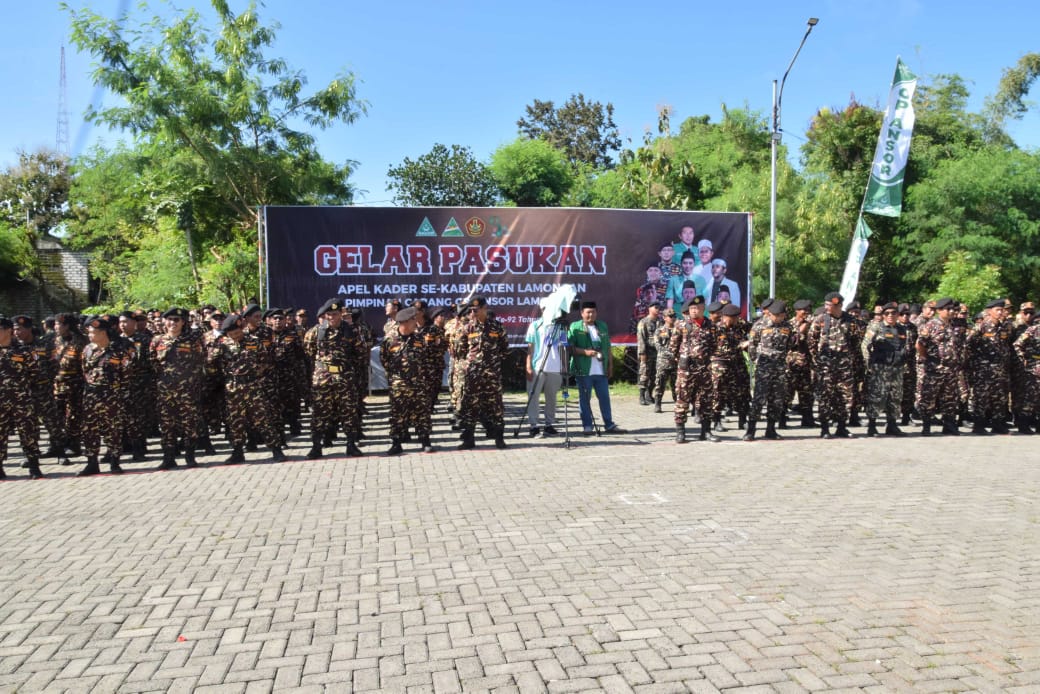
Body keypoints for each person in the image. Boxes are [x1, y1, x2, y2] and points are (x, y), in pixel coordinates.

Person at [209, 314, 287, 463]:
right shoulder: (221, 344)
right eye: (231, 333)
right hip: (233, 387)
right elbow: (211, 365)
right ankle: (238, 452)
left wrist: (256, 374)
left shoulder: (254, 342)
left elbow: (265, 361)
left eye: (237, 331)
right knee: (235, 421)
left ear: (242, 328)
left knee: (263, 419)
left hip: (253, 386)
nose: (235, 335)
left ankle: (276, 450)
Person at [304, 298, 367, 459]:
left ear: (341, 314)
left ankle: (351, 444)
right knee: (319, 413)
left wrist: (351, 372)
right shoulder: (316, 331)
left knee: (348, 412)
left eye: (335, 314)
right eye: (329, 314)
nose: (332, 317)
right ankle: (316, 446)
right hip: (323, 378)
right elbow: (309, 352)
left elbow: (361, 354)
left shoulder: (352, 331)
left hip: (344, 377)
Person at [150, 307, 206, 469]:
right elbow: (153, 363)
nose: (172, 323)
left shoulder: (192, 340)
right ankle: (168, 457)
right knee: (167, 424)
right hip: (165, 390)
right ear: (164, 321)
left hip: (187, 390)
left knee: (190, 423)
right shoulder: (157, 341)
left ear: (183, 322)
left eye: (177, 320)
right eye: (170, 319)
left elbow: (201, 360)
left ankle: (190, 456)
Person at [453, 296, 510, 449]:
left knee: (495, 406)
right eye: (471, 310)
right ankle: (469, 439)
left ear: (485, 308)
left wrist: (494, 363)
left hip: (492, 374)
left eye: (476, 310)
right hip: (473, 374)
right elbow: (460, 350)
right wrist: (469, 364)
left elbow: (505, 349)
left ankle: (499, 438)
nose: (474, 313)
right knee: (470, 406)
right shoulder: (467, 328)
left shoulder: (496, 327)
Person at [78, 316, 130, 476]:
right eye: (89, 332)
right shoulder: (87, 350)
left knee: (113, 430)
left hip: (111, 397)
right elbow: (84, 371)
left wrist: (120, 394)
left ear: (103, 333)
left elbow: (126, 375)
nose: (90, 335)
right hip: (91, 397)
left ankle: (115, 461)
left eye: (93, 332)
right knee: (89, 431)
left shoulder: (119, 351)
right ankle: (91, 462)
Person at [381, 307, 436, 454]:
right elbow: (384, 360)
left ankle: (425, 441)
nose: (416, 322)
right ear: (404, 322)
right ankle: (396, 443)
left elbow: (426, 360)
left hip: (418, 383)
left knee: (422, 413)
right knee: (397, 414)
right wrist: (395, 377)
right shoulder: (389, 339)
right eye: (413, 320)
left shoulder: (419, 339)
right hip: (398, 384)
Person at [568, 301, 625, 435]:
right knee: (585, 399)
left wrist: (610, 365)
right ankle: (587, 426)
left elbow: (608, 347)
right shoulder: (575, 327)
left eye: (593, 312)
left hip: (601, 370)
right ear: (582, 313)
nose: (591, 315)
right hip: (583, 369)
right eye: (588, 312)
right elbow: (569, 348)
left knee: (605, 398)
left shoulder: (602, 326)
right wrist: (585, 352)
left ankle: (609, 425)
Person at [0, 316, 45, 479]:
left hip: (22, 400)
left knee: (28, 433)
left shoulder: (24, 350)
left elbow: (35, 374)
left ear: (8, 331)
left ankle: (34, 466)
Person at [808, 292, 857, 438]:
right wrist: (818, 360)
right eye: (826, 304)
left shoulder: (851, 321)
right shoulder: (820, 320)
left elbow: (855, 341)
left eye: (830, 305)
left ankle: (841, 426)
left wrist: (848, 358)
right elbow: (812, 341)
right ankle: (825, 428)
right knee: (825, 396)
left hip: (844, 365)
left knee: (845, 396)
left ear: (839, 305)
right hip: (826, 365)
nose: (827, 307)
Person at [915, 297, 965, 436]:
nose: (951, 312)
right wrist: (926, 358)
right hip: (935, 369)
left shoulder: (954, 325)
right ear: (939, 311)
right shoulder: (931, 325)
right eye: (947, 309)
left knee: (950, 398)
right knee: (929, 398)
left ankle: (949, 425)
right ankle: (926, 426)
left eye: (952, 309)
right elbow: (919, 344)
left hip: (951, 369)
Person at [744, 300, 793, 441]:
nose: (777, 318)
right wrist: (756, 361)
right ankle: (750, 430)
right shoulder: (759, 325)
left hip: (780, 368)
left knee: (776, 400)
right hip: (764, 367)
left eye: (780, 316)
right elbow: (752, 346)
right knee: (759, 399)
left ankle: (771, 429)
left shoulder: (788, 327)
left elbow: (789, 344)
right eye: (774, 315)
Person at [670, 297, 717, 443]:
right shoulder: (681, 325)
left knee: (706, 400)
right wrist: (682, 361)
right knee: (682, 400)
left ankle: (706, 431)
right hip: (687, 370)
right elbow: (673, 347)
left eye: (696, 308)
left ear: (703, 309)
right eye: (691, 309)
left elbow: (715, 346)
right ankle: (680, 432)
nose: (694, 311)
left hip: (704, 369)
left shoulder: (711, 326)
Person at [966, 299, 1013, 434]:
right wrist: (976, 362)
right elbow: (969, 344)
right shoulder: (982, 326)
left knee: (1000, 397)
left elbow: (1007, 345)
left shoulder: (1004, 327)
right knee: (981, 397)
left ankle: (998, 424)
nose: (1001, 312)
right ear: (989, 311)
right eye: (998, 310)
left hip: (1000, 369)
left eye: (1002, 310)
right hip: (984, 369)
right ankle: (979, 425)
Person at [861, 303, 908, 437]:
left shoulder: (902, 329)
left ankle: (892, 425)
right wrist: (868, 364)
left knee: (895, 397)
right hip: (880, 368)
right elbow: (865, 345)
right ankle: (872, 426)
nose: (890, 316)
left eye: (893, 313)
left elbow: (904, 347)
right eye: (887, 314)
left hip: (897, 369)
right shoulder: (876, 327)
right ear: (883, 315)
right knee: (877, 396)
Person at [524, 302, 568, 437]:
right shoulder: (535, 325)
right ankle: (533, 426)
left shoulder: (560, 326)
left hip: (555, 367)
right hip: (538, 366)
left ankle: (549, 424)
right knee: (533, 396)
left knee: (552, 397)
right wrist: (528, 366)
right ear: (542, 309)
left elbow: (563, 347)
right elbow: (530, 348)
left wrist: (564, 365)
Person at [786, 299, 816, 427]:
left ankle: (807, 419)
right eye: (804, 310)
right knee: (788, 392)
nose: (807, 313)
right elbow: (792, 341)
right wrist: (803, 327)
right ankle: (782, 419)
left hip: (807, 364)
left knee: (806, 394)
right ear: (797, 311)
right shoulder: (789, 324)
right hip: (792, 364)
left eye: (809, 310)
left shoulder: (813, 324)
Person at [1013, 319, 1040, 434]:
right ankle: (1023, 424)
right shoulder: (1033, 330)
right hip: (1033, 365)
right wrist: (1023, 358)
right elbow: (1017, 344)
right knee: (1031, 396)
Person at [652, 308, 679, 413]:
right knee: (660, 384)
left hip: (676, 363)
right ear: (664, 318)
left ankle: (678, 405)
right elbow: (658, 346)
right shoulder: (659, 330)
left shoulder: (678, 330)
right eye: (670, 316)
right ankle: (658, 404)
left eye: (674, 316)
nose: (673, 318)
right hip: (663, 362)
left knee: (676, 386)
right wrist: (671, 354)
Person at [636, 302, 662, 406]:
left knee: (654, 375)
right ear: (649, 309)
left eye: (658, 308)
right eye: (655, 307)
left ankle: (649, 394)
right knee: (644, 374)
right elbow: (641, 338)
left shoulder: (660, 322)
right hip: (647, 352)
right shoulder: (644, 322)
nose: (657, 309)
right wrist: (642, 353)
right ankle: (641, 396)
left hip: (658, 353)